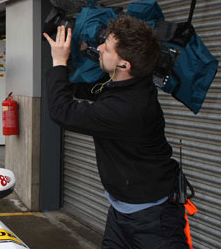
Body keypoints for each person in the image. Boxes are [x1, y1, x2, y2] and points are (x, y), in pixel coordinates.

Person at [43, 17, 188, 248]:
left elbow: (62, 112)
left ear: (124, 65)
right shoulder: (129, 84)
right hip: (123, 213)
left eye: (106, 48)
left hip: (154, 221)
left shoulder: (127, 108)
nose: (99, 48)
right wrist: (70, 60)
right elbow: (87, 88)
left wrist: (58, 62)